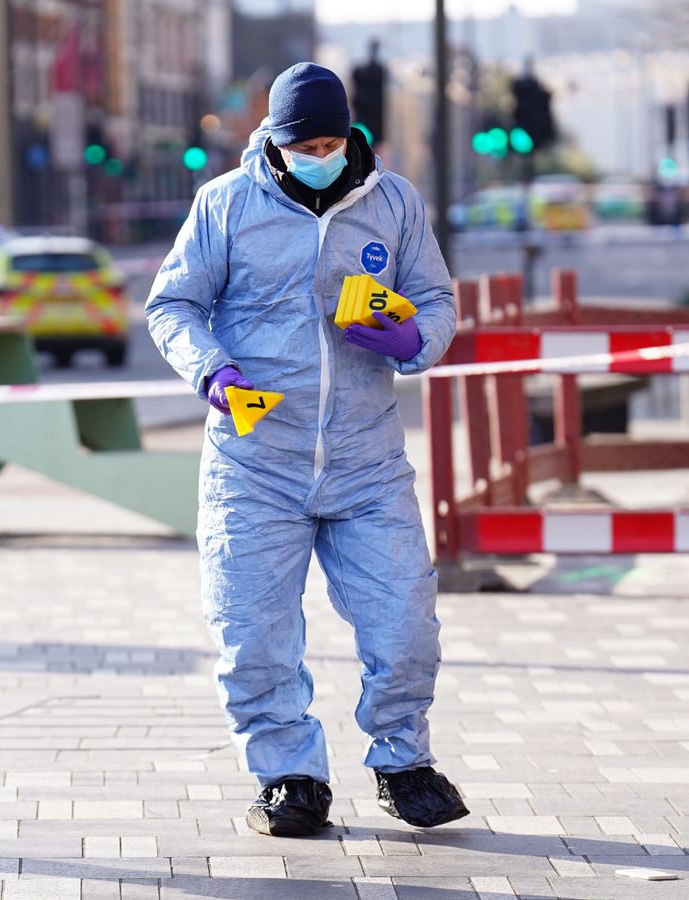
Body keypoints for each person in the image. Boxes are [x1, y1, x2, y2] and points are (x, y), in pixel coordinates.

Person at [146, 63, 470, 837]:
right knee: (252, 633)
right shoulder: (224, 205)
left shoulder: (393, 203)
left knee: (404, 623)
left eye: (330, 142)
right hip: (255, 463)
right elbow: (174, 303)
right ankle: (289, 776)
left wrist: (414, 337)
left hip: (365, 462)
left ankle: (404, 763)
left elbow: (437, 297)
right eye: (302, 145)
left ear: (351, 135)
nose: (317, 155)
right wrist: (212, 369)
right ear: (275, 141)